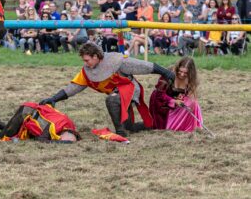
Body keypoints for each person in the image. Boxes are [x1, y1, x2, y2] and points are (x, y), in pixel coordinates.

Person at [39, 42, 174, 137]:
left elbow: (145, 66)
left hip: (130, 89)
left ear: (96, 56)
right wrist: (53, 98)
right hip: (117, 93)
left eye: (87, 60)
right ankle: (152, 125)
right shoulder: (87, 71)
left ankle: (120, 132)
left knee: (112, 100)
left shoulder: (117, 61)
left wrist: (166, 73)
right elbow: (73, 88)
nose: (85, 63)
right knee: (130, 126)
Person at [149, 57, 202, 132]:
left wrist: (181, 97)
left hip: (175, 103)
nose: (182, 74)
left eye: (186, 73)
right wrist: (173, 101)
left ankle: (188, 126)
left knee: (194, 104)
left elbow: (188, 95)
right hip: (161, 103)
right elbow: (159, 95)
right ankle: (172, 125)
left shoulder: (190, 80)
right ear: (178, 68)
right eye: (180, 71)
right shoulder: (168, 74)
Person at [1, 102, 80, 142]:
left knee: (7, 129)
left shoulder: (70, 126)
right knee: (3, 135)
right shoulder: (53, 127)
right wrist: (59, 142)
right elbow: (42, 140)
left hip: (33, 110)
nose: (58, 139)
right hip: (26, 112)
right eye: (60, 139)